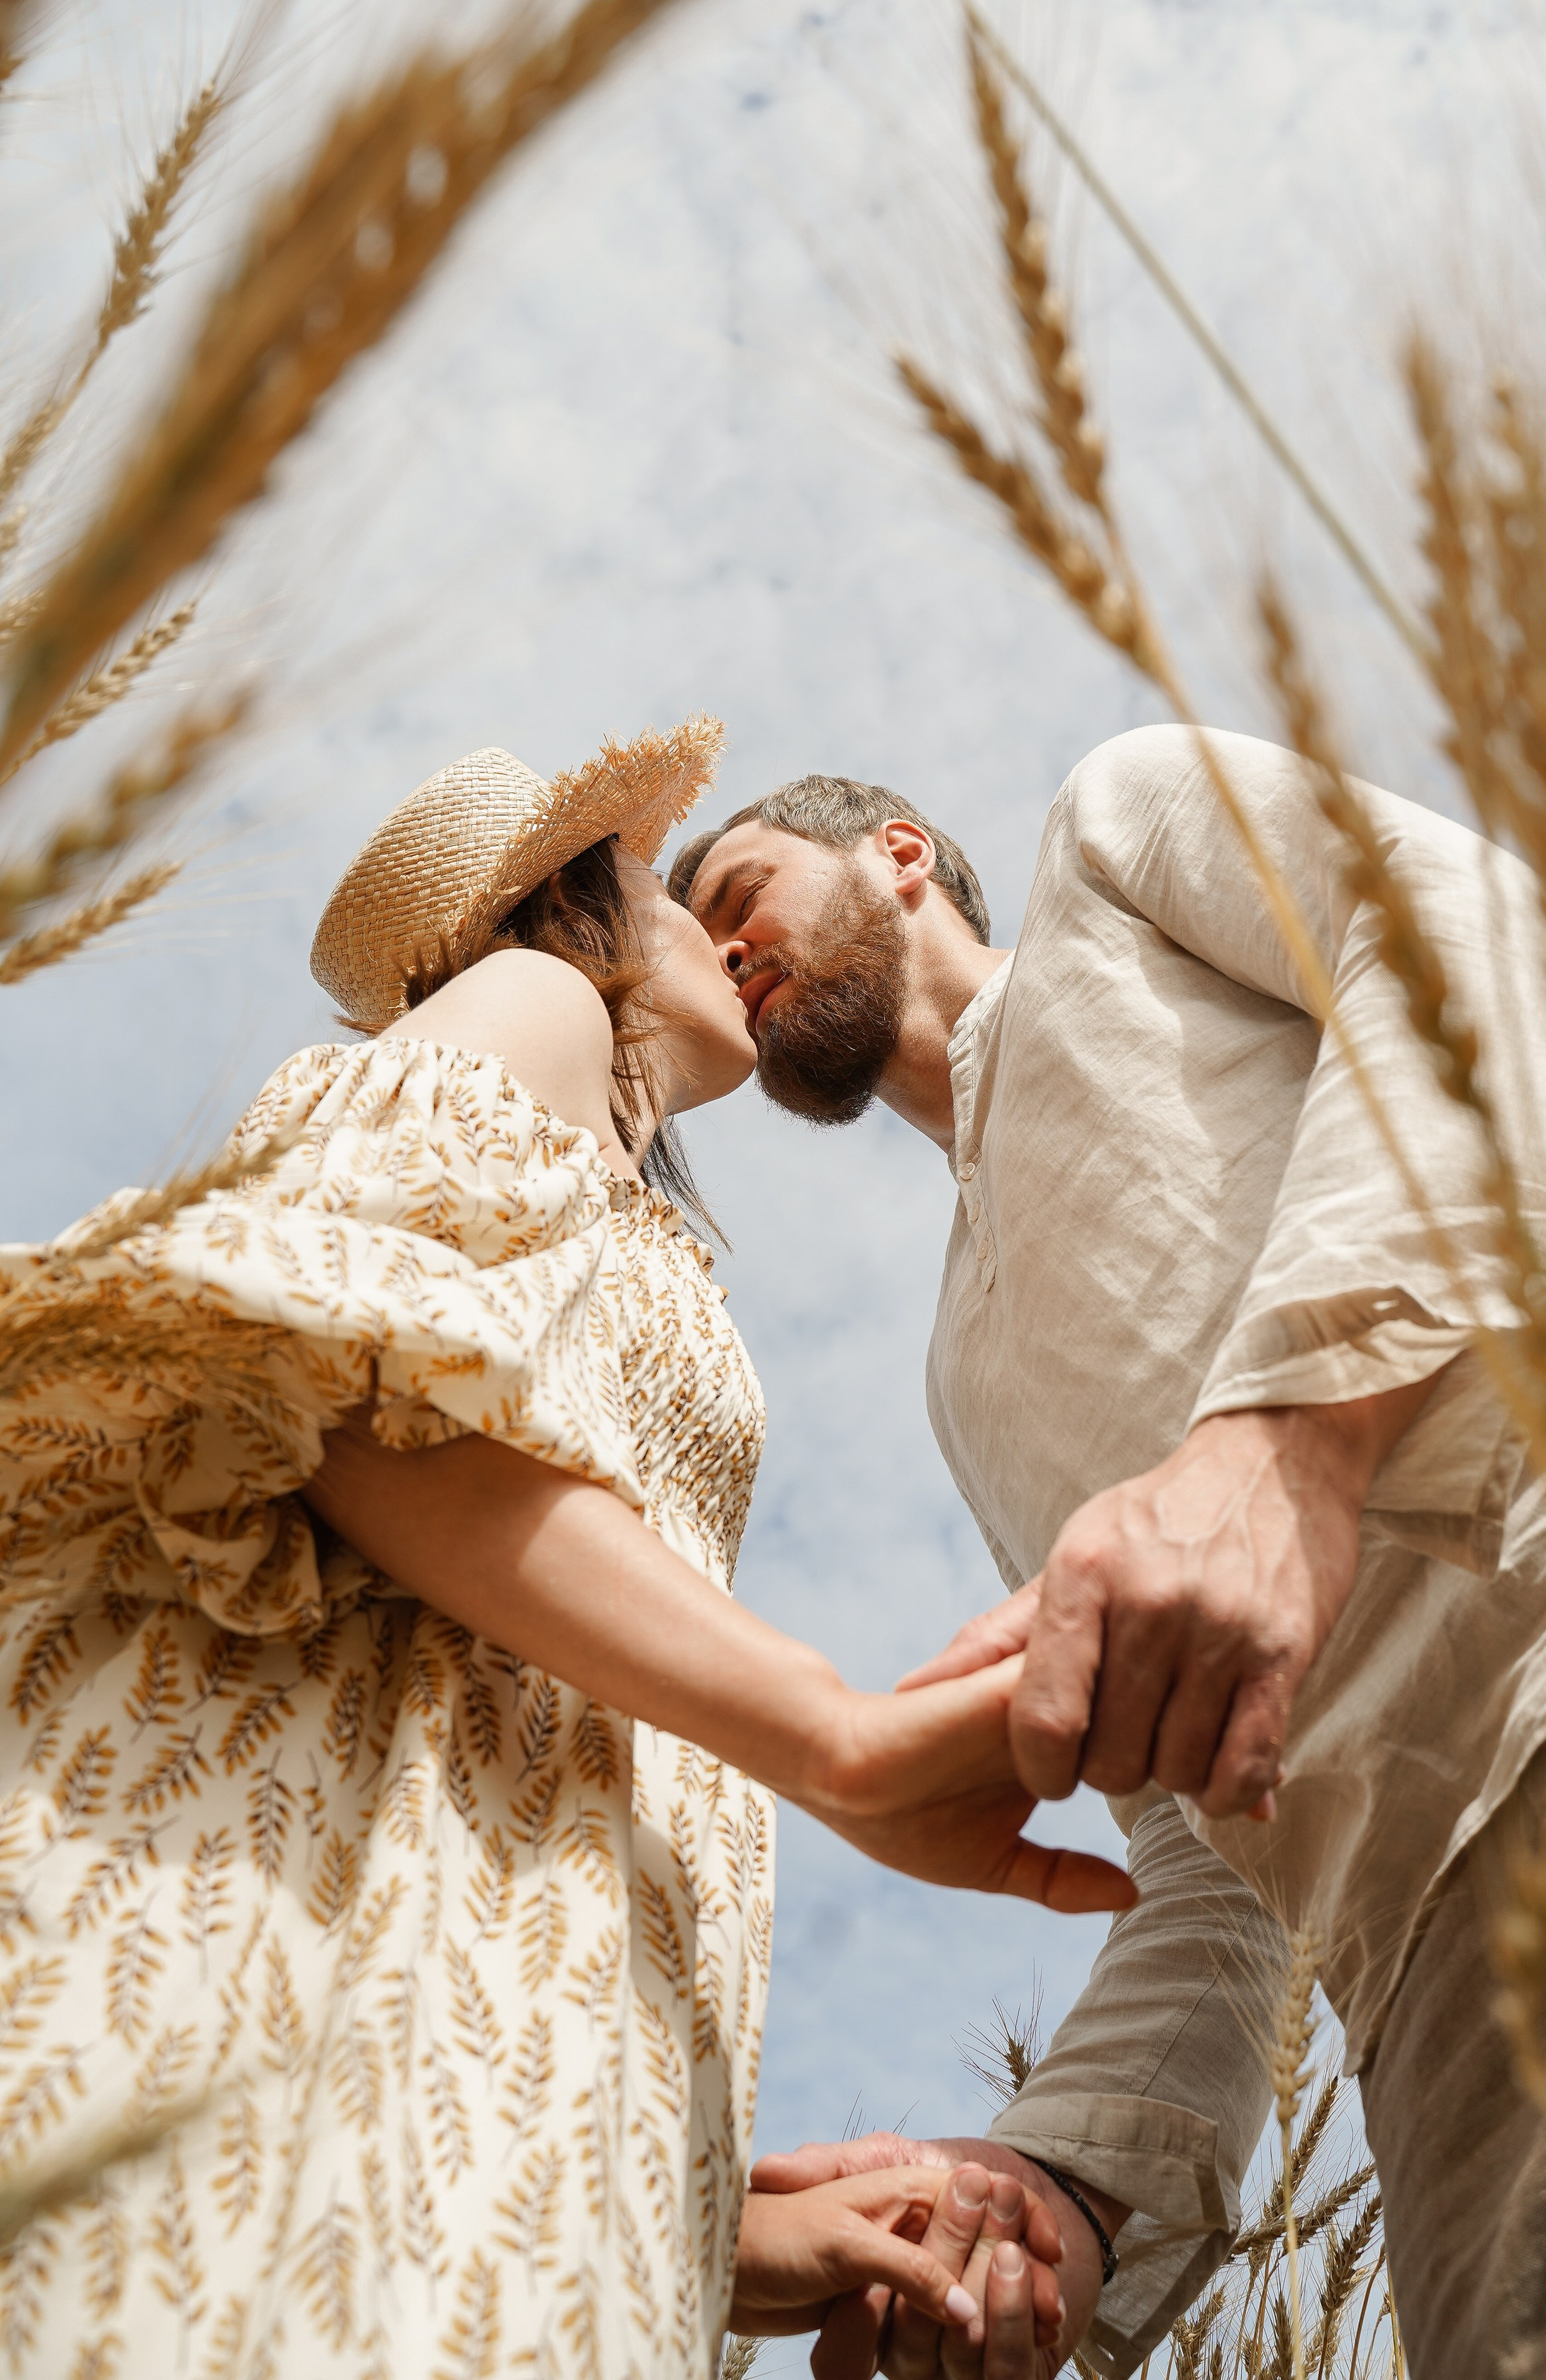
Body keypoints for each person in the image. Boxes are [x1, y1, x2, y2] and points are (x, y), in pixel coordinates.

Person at [670, 730, 1546, 2379]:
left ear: (899, 855)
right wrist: (1064, 2176)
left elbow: (1460, 946)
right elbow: (1197, 1837)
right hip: (1443, 1966)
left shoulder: (1112, 834)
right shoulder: (956, 1379)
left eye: (739, 889)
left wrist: (1289, 1440)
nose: (721, 948)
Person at [0, 717, 1131, 2379]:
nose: (709, 930)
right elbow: (343, 1385)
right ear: (569, 916)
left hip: (494, 1986)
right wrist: (836, 1736)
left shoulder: (619, 1202)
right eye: (667, 893)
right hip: (343, 1902)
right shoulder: (538, 1009)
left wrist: (721, 2226)